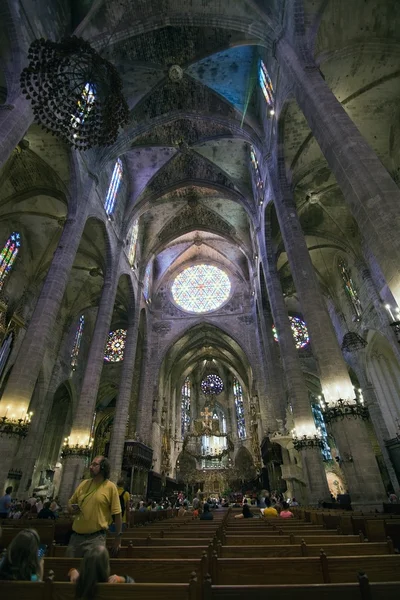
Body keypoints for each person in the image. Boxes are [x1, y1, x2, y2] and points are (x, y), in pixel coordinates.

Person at [66, 456, 122, 558]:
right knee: (70, 570)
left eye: (94, 464)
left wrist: (118, 538)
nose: (91, 467)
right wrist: (71, 509)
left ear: (103, 467)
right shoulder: (83, 484)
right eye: (91, 464)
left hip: (95, 539)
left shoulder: (110, 487)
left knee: (92, 572)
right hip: (75, 538)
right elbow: (70, 503)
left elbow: (117, 514)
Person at [69, 545, 134, 599]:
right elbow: (132, 583)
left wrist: (72, 571)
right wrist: (121, 579)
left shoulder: (79, 584)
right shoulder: (111, 587)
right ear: (106, 568)